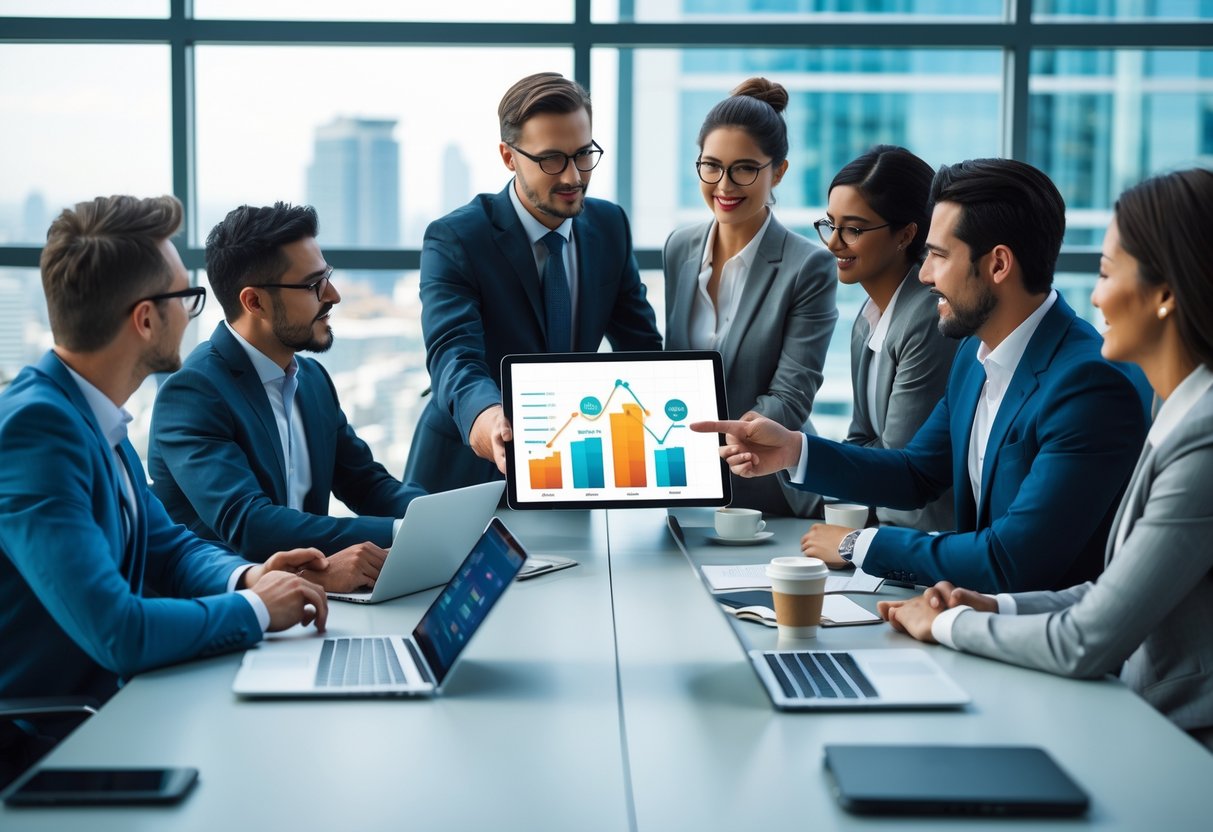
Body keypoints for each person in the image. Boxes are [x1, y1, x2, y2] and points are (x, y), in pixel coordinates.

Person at [692, 158, 1148, 593]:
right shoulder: (974, 355)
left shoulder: (1087, 386)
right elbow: (915, 474)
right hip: (972, 620)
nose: (925, 275)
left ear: (998, 264)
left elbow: (1011, 560)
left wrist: (857, 544)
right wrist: (794, 450)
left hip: (1046, 649)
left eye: (938, 256)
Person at [878, 168, 1213, 751]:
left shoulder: (1201, 441)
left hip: (1178, 744)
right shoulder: (1180, 415)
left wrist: (949, 623)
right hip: (1135, 715)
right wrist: (991, 605)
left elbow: (1087, 639)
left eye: (1107, 274)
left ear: (1164, 295)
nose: (1094, 296)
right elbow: (1107, 591)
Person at [0, 196, 330, 785]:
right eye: (187, 298)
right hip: (43, 750)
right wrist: (257, 609)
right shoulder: (37, 432)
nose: (195, 315)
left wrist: (246, 577)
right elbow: (118, 631)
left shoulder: (91, 413)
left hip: (118, 709)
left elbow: (168, 545)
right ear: (145, 319)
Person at [405, 72, 662, 493]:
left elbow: (642, 349)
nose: (573, 177)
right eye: (551, 160)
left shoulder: (609, 225)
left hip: (573, 463)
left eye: (583, 154)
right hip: (469, 469)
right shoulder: (457, 238)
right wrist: (487, 417)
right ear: (509, 157)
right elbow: (453, 354)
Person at [148, 203, 426, 578]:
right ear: (254, 302)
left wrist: (442, 517)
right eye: (314, 285)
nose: (334, 295)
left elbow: (368, 485)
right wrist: (401, 531)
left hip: (312, 597)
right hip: (232, 611)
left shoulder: (312, 381)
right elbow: (250, 523)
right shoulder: (194, 392)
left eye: (326, 276)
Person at [663, 77, 837, 516]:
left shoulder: (808, 266)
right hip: (682, 482)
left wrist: (720, 442)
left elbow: (793, 393)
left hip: (765, 488)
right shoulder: (678, 248)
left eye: (744, 168)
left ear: (778, 171)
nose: (724, 184)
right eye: (711, 166)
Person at [809, 145, 958, 532]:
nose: (833, 242)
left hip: (922, 537)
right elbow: (862, 437)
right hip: (881, 525)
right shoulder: (867, 317)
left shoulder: (927, 317)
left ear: (906, 234)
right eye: (830, 224)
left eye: (853, 229)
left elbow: (901, 462)